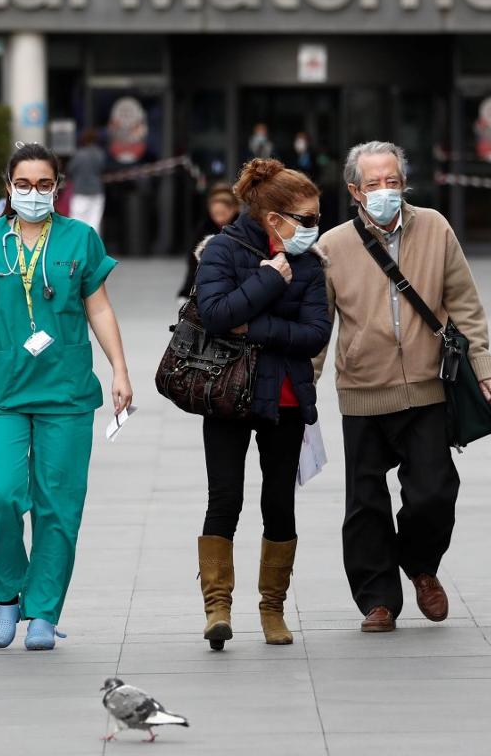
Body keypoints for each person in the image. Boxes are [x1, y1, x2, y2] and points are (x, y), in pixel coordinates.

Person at [0, 143, 133, 651]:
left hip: (66, 391)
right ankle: (7, 596)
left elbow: (98, 308)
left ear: (58, 187)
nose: (33, 193)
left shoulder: (79, 238)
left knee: (58, 503)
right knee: (1, 493)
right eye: (23, 185)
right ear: (8, 187)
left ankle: (44, 610)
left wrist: (119, 369)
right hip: (2, 391)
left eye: (44, 185)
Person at [313, 141, 491, 634]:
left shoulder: (436, 228)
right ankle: (377, 600)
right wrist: (302, 388)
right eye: (373, 183)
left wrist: (484, 367)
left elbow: (464, 303)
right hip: (362, 389)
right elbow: (318, 324)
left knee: (434, 492)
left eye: (392, 181)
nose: (384, 191)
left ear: (404, 183)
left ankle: (420, 566)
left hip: (427, 386)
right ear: (355, 190)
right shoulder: (332, 245)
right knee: (365, 502)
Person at [193, 158, 332, 649]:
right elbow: (214, 315)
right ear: (274, 218)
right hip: (226, 392)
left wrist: (252, 326)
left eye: (317, 217)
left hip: (286, 397)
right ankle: (217, 607)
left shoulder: (310, 263)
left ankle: (273, 607)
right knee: (224, 497)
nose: (315, 227)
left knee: (278, 501)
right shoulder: (222, 250)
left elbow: (316, 333)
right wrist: (270, 281)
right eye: (307, 218)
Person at [178, 183, 238, 298]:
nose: (219, 218)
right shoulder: (204, 228)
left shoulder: (242, 228)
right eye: (215, 214)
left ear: (234, 209)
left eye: (223, 213)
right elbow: (193, 261)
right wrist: (187, 289)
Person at [66, 129, 107, 233]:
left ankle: (79, 242)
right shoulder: (100, 154)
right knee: (95, 222)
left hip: (80, 191)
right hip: (96, 190)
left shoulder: (79, 154)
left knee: (78, 221)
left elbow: (70, 170)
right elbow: (103, 169)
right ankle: (92, 242)